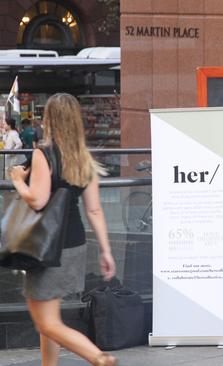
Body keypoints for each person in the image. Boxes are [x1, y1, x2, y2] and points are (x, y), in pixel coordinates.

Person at [9, 93, 118, 366]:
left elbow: (37, 198)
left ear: (49, 119)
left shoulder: (42, 153)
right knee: (51, 319)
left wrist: (17, 181)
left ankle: (100, 358)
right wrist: (106, 251)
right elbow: (94, 210)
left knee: (46, 323)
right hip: (74, 244)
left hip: (46, 247)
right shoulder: (83, 158)